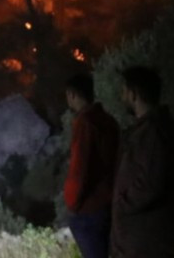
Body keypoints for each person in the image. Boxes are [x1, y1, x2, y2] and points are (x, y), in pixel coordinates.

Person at [111, 66, 174, 258]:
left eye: (124, 91)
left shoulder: (154, 132)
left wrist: (121, 205)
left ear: (134, 94)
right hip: (141, 237)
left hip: (146, 239)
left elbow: (150, 184)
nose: (122, 96)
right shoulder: (150, 130)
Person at [64, 73, 120, 258]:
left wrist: (72, 202)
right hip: (109, 203)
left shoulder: (85, 123)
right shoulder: (108, 120)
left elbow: (80, 168)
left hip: (89, 209)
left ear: (72, 95)